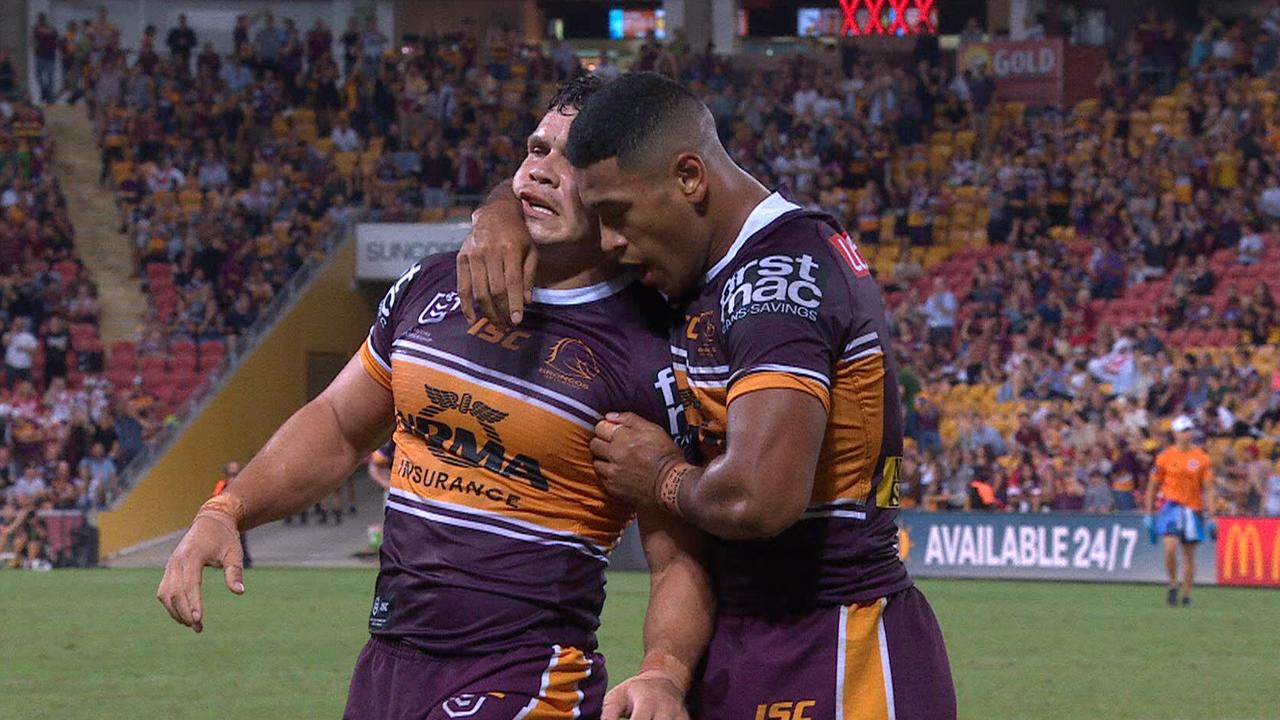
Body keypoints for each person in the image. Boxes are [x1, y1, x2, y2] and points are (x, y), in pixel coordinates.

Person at [157, 77, 711, 720]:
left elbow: (679, 560)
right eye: (535, 149)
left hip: (527, 674)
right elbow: (338, 425)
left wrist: (664, 672)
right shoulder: (429, 285)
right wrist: (227, 511)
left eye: (573, 157)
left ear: (619, 190)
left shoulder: (651, 349)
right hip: (389, 663)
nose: (540, 172)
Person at [458, 72, 955, 719]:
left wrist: (660, 475)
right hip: (741, 640)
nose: (610, 241)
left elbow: (758, 496)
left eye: (617, 216)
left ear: (689, 179)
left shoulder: (779, 275)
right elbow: (553, 198)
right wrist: (500, 210)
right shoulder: (697, 277)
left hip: (837, 644)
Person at [1145, 415, 1216, 608]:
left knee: (1189, 556)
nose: (1187, 434)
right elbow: (1152, 486)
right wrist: (1149, 513)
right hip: (1171, 507)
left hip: (1193, 510)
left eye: (1189, 430)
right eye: (1183, 430)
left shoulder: (1202, 458)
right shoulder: (1164, 457)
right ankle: (1172, 583)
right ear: (1175, 433)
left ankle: (1187, 595)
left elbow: (1208, 489)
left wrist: (1212, 517)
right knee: (1169, 548)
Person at [211, 462, 251, 569]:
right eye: (231, 474)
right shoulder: (221, 485)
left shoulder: (243, 485)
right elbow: (215, 498)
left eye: (235, 474)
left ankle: (245, 561)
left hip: (238, 517)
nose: (232, 477)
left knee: (241, 540)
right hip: (224, 518)